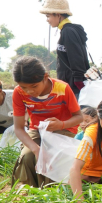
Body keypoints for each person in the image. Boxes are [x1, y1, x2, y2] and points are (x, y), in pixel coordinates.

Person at [11, 57, 83, 188]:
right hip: (37, 130)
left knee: (51, 156)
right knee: (27, 156)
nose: (30, 91)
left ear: (45, 77)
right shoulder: (18, 92)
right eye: (24, 87)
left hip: (64, 129)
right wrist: (36, 149)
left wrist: (61, 124)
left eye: (34, 86)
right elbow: (18, 128)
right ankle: (31, 192)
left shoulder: (62, 88)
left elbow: (79, 117)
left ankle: (52, 192)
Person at [39, 0, 89, 97]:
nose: (47, 20)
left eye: (48, 16)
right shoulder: (67, 30)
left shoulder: (68, 31)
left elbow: (76, 56)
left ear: (58, 15)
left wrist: (78, 80)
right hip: (69, 85)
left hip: (73, 86)